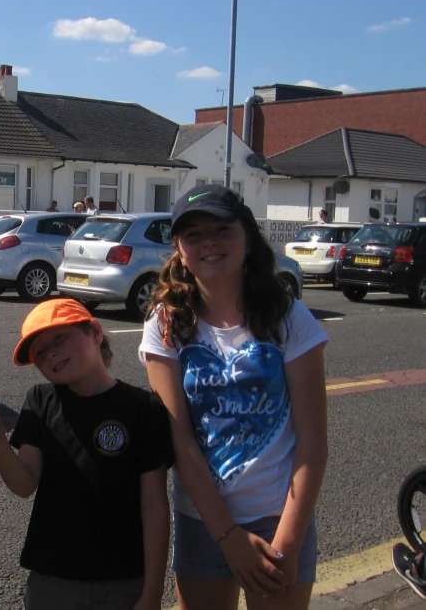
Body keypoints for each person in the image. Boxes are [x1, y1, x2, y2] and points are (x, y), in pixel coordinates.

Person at [139, 183, 329, 610]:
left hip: (279, 518)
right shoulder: (166, 322)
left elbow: (313, 445)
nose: (209, 241)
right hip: (203, 518)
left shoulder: (289, 317)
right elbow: (180, 439)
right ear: (180, 250)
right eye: (193, 234)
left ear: (247, 236)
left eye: (221, 229)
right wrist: (226, 536)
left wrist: (287, 543)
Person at [0, 298, 173, 610]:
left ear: (94, 331)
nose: (50, 352)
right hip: (53, 580)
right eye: (39, 352)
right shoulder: (40, 401)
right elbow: (24, 485)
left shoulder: (144, 409)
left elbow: (154, 506)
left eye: (59, 337)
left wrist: (153, 591)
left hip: (124, 580)